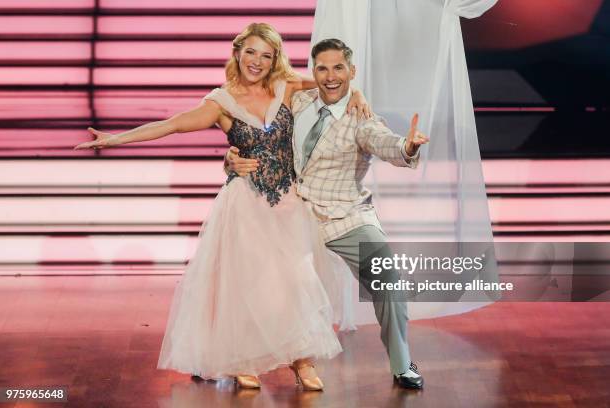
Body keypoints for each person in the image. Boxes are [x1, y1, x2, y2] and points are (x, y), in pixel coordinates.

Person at [73, 23, 371, 391]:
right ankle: (241, 358)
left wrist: (356, 93)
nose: (257, 61)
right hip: (245, 203)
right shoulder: (221, 102)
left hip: (288, 202)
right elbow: (173, 125)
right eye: (251, 52)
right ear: (238, 52)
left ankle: (301, 359)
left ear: (275, 58)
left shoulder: (286, 86)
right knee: (250, 283)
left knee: (295, 281)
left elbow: (332, 82)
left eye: (266, 55)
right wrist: (116, 139)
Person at [227, 38, 430, 389]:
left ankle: (402, 364)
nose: (330, 76)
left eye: (339, 68)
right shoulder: (297, 101)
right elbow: (260, 141)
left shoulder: (361, 118)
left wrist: (407, 146)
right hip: (292, 216)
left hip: (346, 218)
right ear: (314, 72)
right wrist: (230, 158)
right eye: (322, 68)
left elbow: (385, 142)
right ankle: (228, 355)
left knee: (389, 281)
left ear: (352, 72)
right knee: (254, 278)